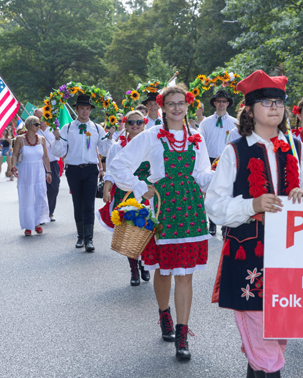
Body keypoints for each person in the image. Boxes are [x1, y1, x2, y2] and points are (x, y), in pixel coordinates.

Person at [206, 70, 303, 378]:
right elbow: (215, 206)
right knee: (262, 337)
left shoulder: (296, 148)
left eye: (279, 102)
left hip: (289, 253)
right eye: (266, 102)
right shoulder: (235, 151)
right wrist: (252, 205)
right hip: (248, 254)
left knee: (275, 335)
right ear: (249, 109)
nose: (275, 107)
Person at [110, 84, 213, 361]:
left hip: (191, 209)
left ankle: (182, 333)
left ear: (187, 106)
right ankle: (164, 314)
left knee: (186, 272)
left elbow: (202, 173)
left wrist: (221, 178)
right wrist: (141, 187)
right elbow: (118, 165)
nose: (177, 108)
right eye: (171, 104)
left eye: (181, 103)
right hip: (164, 208)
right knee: (165, 269)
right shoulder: (152, 135)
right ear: (162, 107)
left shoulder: (197, 136)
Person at [52, 94, 115, 252]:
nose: (85, 112)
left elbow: (103, 150)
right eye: (82, 109)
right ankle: (80, 236)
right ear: (76, 109)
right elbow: (59, 152)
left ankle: (89, 239)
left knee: (89, 203)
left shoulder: (96, 128)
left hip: (91, 170)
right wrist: (58, 138)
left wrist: (110, 137)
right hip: (73, 169)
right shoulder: (67, 128)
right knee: (77, 203)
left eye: (87, 109)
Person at [96, 110, 151, 286]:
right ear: (126, 125)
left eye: (139, 122)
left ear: (144, 124)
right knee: (129, 231)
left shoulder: (151, 145)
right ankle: (134, 269)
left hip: (145, 191)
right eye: (131, 122)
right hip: (125, 193)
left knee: (147, 229)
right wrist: (106, 189)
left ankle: (144, 264)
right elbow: (111, 170)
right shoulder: (117, 146)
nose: (135, 125)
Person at [198, 90, 238, 235]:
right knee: (210, 191)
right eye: (218, 101)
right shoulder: (206, 122)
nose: (221, 104)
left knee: (227, 190)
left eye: (224, 101)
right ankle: (212, 222)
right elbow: (200, 142)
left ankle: (226, 222)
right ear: (214, 103)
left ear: (227, 103)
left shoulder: (235, 122)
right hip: (209, 159)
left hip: (226, 159)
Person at [11, 116, 51, 235]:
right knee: (27, 198)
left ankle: (37, 222)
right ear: (28, 126)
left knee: (39, 196)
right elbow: (14, 155)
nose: (39, 126)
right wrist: (13, 168)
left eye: (39, 124)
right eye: (36, 124)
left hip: (39, 171)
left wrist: (48, 172)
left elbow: (45, 157)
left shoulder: (42, 139)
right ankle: (28, 225)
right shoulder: (20, 139)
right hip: (26, 172)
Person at [34, 108, 60, 222]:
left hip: (53, 163)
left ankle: (50, 212)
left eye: (42, 117)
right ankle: (41, 214)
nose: (40, 120)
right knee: (40, 190)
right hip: (38, 164)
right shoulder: (34, 132)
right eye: (37, 118)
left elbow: (62, 147)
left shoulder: (54, 130)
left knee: (53, 188)